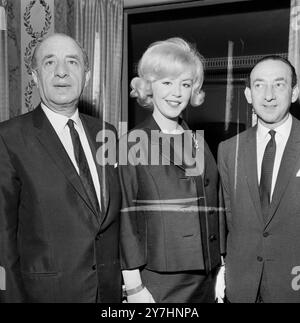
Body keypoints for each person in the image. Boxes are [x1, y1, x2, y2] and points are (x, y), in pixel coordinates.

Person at [0, 33, 122, 303]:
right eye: (49, 63)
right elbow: (2, 240)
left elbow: (113, 220)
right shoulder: (9, 138)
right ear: (34, 76)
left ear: (86, 76)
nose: (62, 72)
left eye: (72, 62)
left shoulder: (107, 133)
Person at [119, 38, 222, 303]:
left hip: (207, 279)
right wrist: (133, 287)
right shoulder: (132, 142)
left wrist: (221, 264)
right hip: (160, 282)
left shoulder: (198, 139)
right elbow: (125, 218)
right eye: (167, 82)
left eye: (185, 84)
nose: (176, 93)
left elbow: (214, 202)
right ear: (148, 86)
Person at [218, 55, 300, 303]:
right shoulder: (229, 149)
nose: (268, 95)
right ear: (248, 95)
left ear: (294, 92)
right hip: (242, 287)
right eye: (259, 85)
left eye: (279, 84)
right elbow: (228, 217)